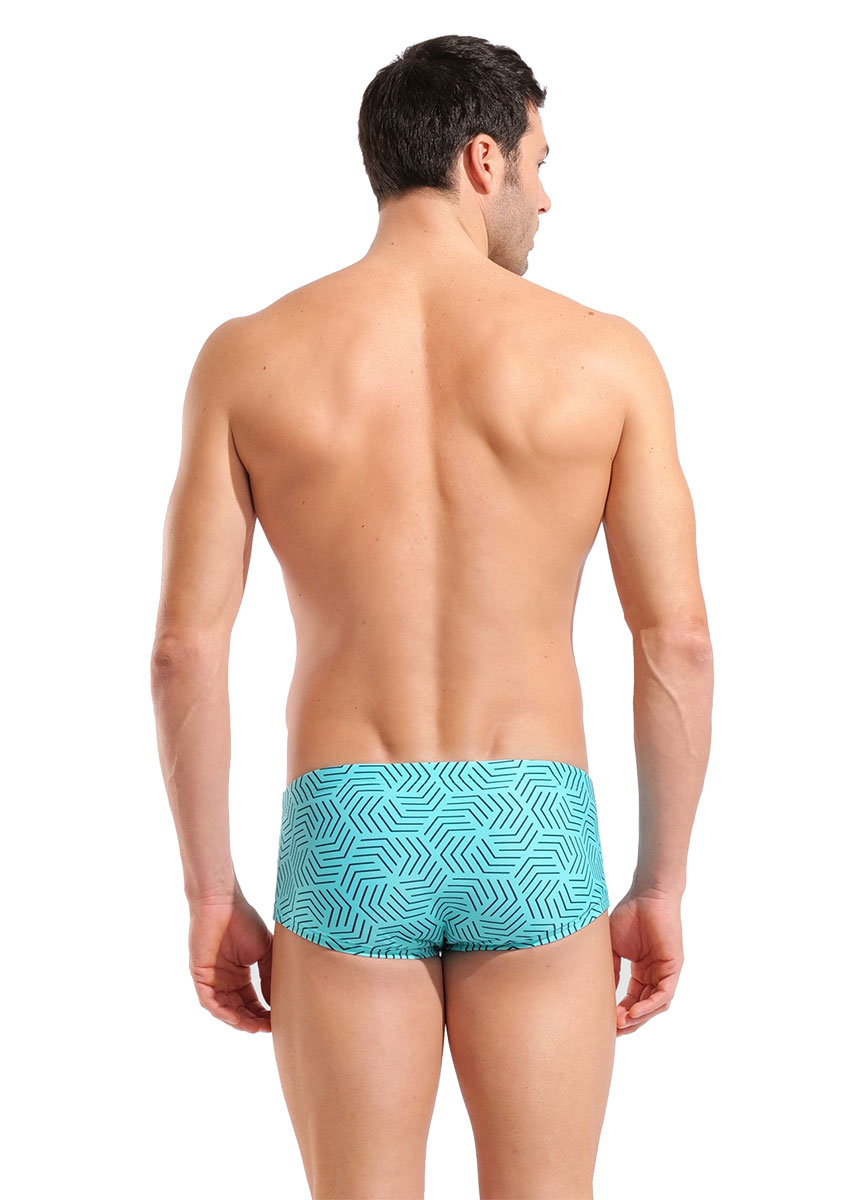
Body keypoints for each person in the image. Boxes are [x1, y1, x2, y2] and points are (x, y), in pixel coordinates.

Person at [150, 32, 714, 1200]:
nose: (545, 199)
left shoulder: (248, 359)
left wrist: (210, 892)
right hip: (530, 817)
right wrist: (658, 885)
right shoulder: (605, 359)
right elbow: (675, 643)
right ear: (480, 159)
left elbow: (183, 651)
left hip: (349, 823)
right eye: (539, 165)